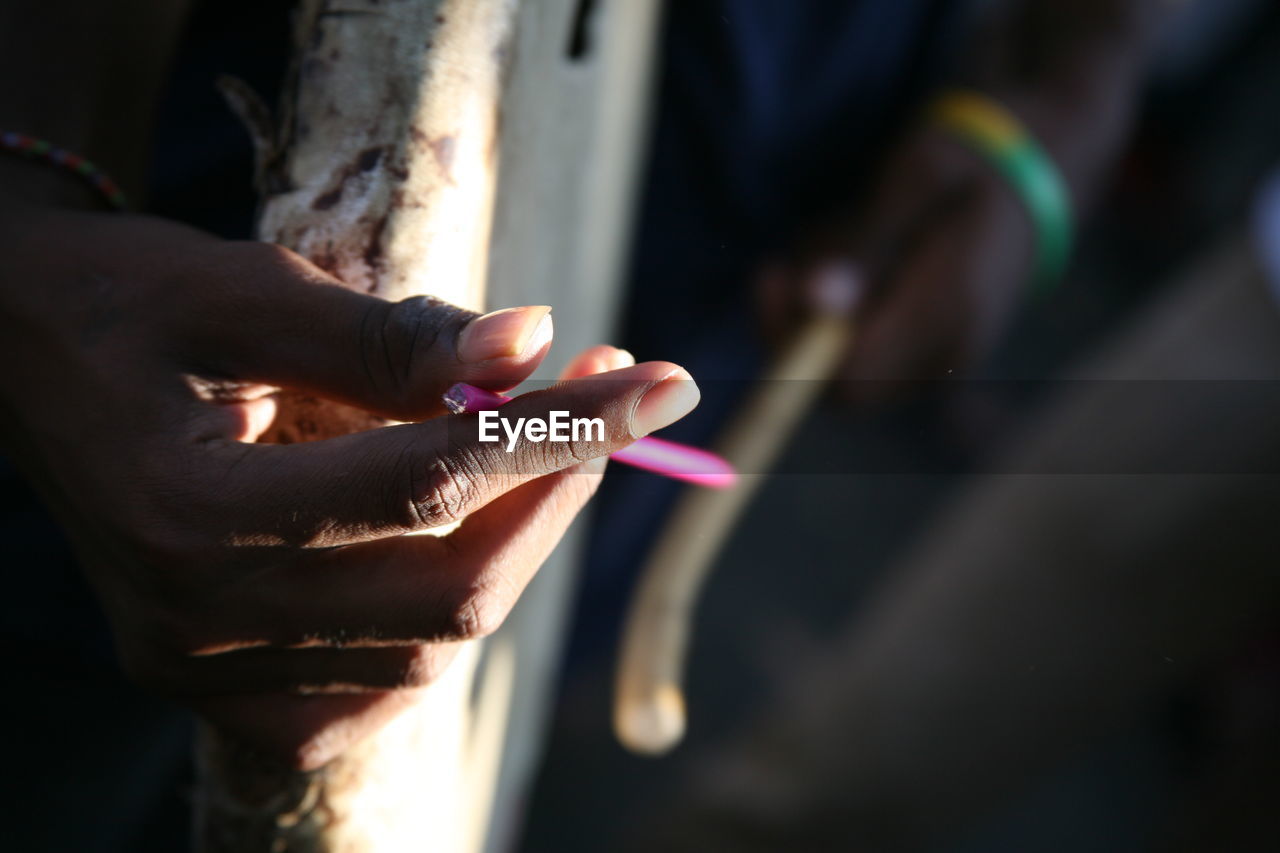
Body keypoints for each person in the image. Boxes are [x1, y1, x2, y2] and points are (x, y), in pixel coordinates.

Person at [0, 0, 1176, 849]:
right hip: (195, 228)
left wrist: (1050, 117)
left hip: (763, 190)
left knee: (453, 692)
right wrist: (31, 208)